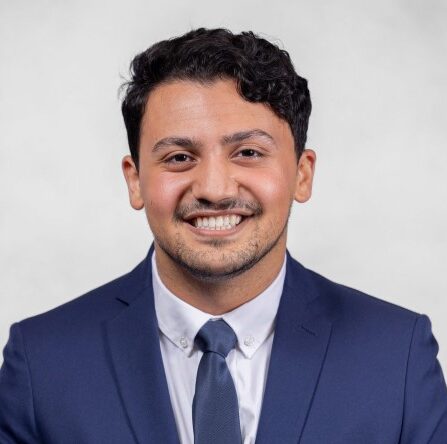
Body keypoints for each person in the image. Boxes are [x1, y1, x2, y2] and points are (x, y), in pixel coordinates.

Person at [0, 27, 446, 444]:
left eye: (248, 152)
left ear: (302, 174)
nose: (214, 189)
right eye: (179, 157)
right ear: (135, 181)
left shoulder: (398, 356)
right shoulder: (41, 362)